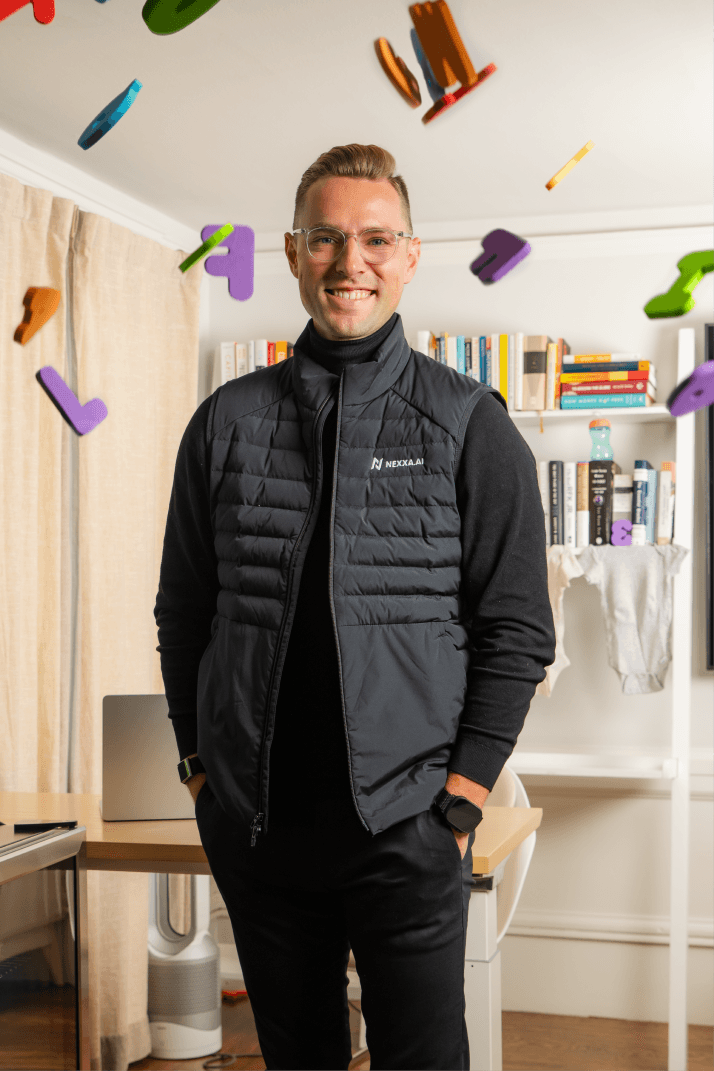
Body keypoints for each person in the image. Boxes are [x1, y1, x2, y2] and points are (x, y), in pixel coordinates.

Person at [154, 142, 556, 1071]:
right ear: (294, 253)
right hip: (258, 829)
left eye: (376, 239)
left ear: (410, 256)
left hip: (407, 827)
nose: (350, 262)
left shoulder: (468, 423)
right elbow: (184, 611)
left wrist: (458, 802)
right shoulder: (225, 422)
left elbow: (518, 630)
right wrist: (196, 768)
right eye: (327, 239)